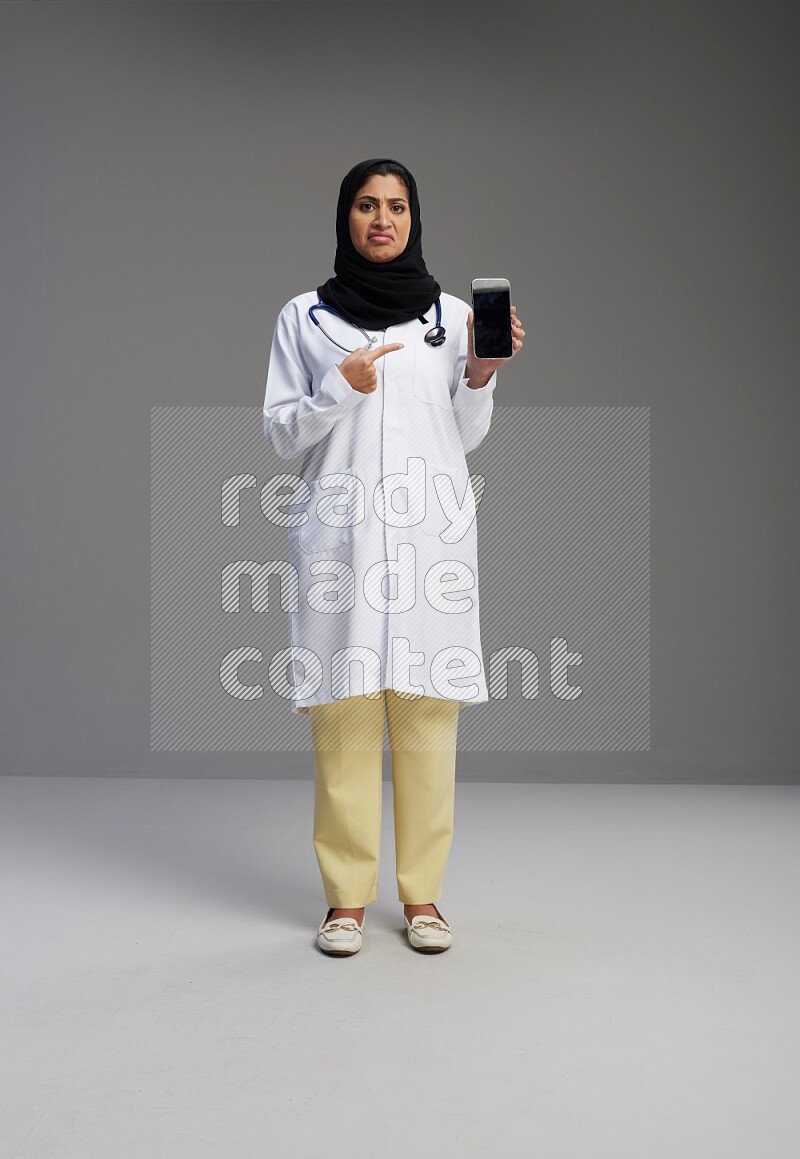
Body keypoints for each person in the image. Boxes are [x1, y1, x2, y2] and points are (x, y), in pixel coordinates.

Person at [262, 157, 525, 955]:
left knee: (425, 722)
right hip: (340, 540)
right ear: (345, 217)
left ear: (415, 218)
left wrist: (479, 372)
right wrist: (336, 386)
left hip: (426, 543)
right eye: (368, 206)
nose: (383, 219)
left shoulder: (447, 318)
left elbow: (466, 436)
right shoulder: (304, 319)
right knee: (342, 717)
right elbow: (279, 434)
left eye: (398, 206)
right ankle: (345, 900)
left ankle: (423, 899)